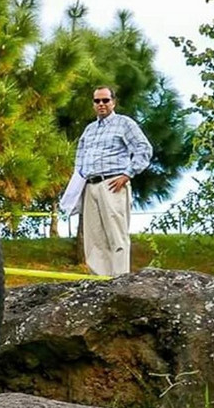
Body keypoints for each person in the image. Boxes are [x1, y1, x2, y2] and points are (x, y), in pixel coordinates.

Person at [61, 86, 152, 276]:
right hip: (89, 185)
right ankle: (100, 282)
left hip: (113, 183)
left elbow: (144, 149)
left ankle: (119, 280)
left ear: (113, 102)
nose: (101, 104)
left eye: (105, 100)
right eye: (97, 101)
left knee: (116, 235)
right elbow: (80, 160)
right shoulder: (90, 129)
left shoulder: (124, 123)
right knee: (94, 238)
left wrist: (128, 174)